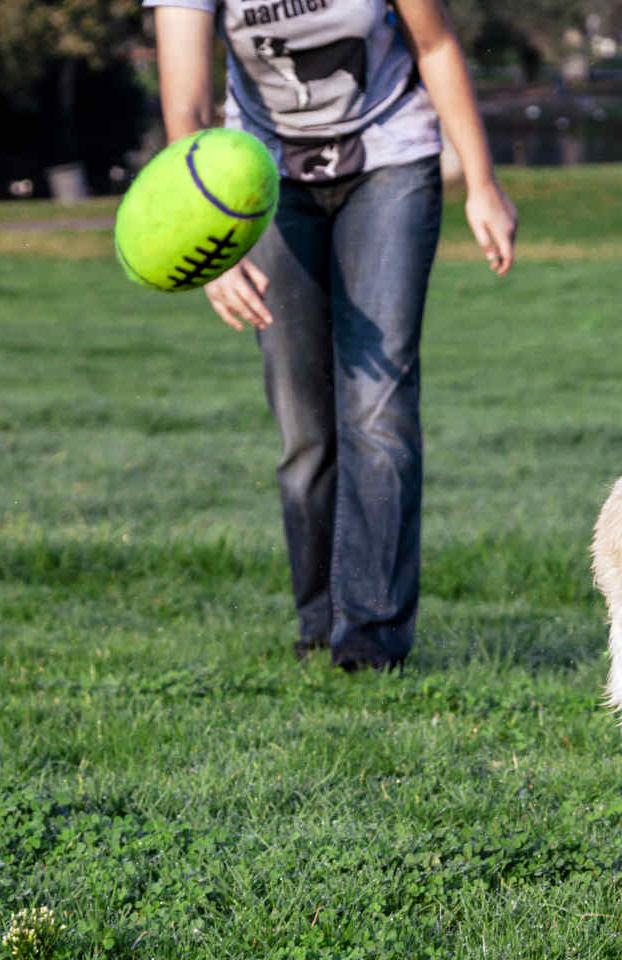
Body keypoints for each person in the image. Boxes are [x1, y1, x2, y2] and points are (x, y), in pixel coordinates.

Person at [150, 0, 518, 672]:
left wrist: (482, 182)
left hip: (390, 159)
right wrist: (213, 241)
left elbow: (433, 45)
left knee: (378, 407)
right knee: (304, 424)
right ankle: (320, 620)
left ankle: (370, 639)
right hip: (258, 177)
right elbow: (188, 105)